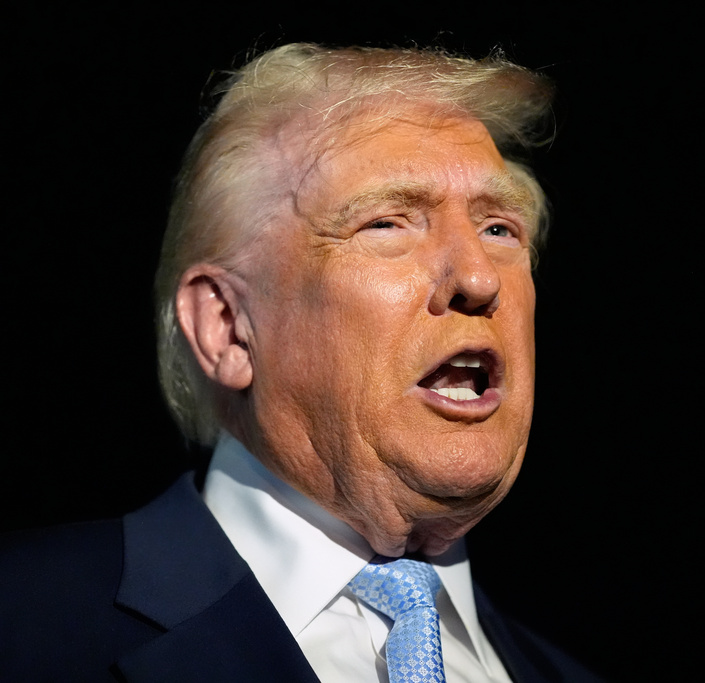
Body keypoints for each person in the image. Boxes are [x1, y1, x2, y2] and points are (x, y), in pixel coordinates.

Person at [1, 43, 601, 682]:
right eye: (388, 224)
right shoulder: (23, 621)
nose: (480, 278)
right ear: (228, 327)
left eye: (499, 229)